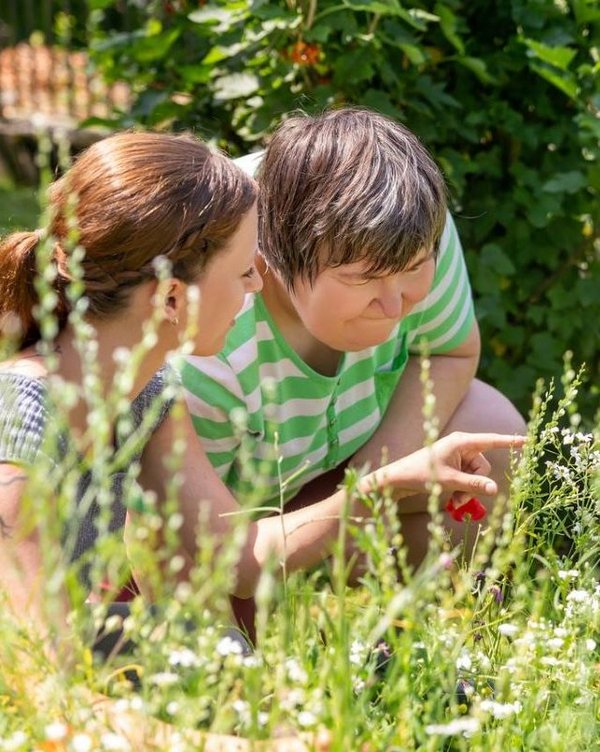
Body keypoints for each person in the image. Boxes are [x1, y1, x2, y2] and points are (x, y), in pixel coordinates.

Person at [0, 129, 523, 651]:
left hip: (73, 637)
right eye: (244, 271)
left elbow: (240, 557)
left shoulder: (147, 393)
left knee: (224, 658)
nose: (256, 286)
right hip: (39, 661)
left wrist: (385, 483)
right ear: (172, 298)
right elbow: (46, 669)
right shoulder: (24, 417)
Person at [180, 107, 527, 574]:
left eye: (412, 269)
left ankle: (390, 622)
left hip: (348, 462)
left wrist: (363, 489)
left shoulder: (409, 223)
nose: (394, 305)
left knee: (491, 429)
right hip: (228, 517)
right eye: (363, 278)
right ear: (273, 259)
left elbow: (450, 350)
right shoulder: (208, 328)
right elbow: (201, 539)